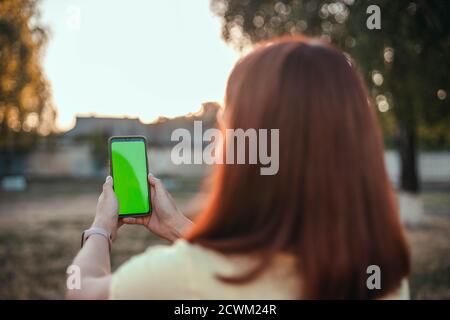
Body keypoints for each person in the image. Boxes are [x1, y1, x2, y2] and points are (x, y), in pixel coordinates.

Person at [67, 36, 410, 300]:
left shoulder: (184, 277)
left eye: (226, 125)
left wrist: (101, 227)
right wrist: (175, 225)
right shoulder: (382, 277)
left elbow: (83, 290)